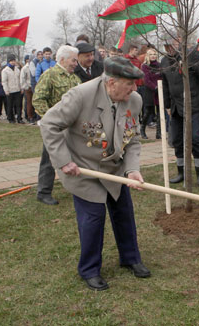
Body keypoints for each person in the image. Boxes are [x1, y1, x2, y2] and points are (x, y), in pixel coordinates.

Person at [39, 56, 150, 291]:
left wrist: (132, 170)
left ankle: (131, 258)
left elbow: (133, 139)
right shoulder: (80, 95)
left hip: (114, 169)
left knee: (124, 214)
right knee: (93, 219)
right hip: (83, 169)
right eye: (129, 84)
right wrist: (63, 161)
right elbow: (49, 123)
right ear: (111, 83)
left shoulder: (134, 100)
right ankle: (89, 269)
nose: (134, 89)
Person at [163, 37, 199, 188]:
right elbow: (165, 84)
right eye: (167, 45)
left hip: (194, 104)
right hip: (176, 108)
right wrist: (167, 105)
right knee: (177, 141)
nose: (171, 48)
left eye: (174, 44)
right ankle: (181, 172)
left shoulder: (192, 56)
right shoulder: (164, 62)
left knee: (195, 138)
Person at [33, 45, 82, 205]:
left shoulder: (74, 78)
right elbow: (38, 99)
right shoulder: (50, 75)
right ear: (62, 59)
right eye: (74, 60)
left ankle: (78, 187)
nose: (76, 63)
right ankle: (44, 191)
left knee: (76, 157)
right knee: (50, 159)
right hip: (55, 128)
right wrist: (50, 121)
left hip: (73, 126)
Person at [141, 48, 162, 139]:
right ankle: (142, 130)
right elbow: (146, 79)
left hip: (159, 91)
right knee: (148, 112)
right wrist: (155, 87)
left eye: (154, 54)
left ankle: (158, 133)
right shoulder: (145, 66)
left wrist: (161, 87)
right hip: (150, 91)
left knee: (160, 112)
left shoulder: (160, 65)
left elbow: (162, 76)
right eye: (151, 54)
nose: (153, 56)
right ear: (148, 56)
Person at [1, 54, 24, 124]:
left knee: (19, 105)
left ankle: (19, 118)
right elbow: (4, 81)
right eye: (11, 61)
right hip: (10, 90)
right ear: (8, 62)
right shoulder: (5, 70)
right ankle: (10, 118)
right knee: (10, 105)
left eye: (14, 61)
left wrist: (21, 88)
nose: (13, 62)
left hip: (17, 89)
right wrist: (6, 90)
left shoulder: (17, 69)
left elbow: (20, 79)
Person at [20, 55, 36, 123]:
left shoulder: (36, 66)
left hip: (35, 86)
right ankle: (30, 117)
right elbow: (22, 78)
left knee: (35, 102)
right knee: (29, 102)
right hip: (28, 87)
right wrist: (25, 87)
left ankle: (35, 115)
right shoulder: (25, 68)